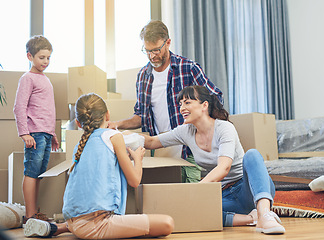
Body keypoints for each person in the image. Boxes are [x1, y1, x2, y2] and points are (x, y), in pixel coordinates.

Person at [23, 93, 174, 239]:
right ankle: (68, 228)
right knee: (167, 223)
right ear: (108, 115)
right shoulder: (114, 137)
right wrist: (138, 159)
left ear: (77, 122)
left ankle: (59, 228)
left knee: (84, 222)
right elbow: (134, 181)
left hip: (73, 220)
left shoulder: (79, 146)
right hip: (98, 224)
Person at [142, 86, 285, 235]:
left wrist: (195, 190)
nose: (182, 108)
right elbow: (151, 142)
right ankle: (251, 218)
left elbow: (224, 168)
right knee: (192, 210)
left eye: (187, 102)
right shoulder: (185, 131)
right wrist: (123, 136)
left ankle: (265, 214)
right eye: (180, 104)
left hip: (248, 189)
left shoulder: (224, 128)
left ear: (204, 105)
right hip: (224, 196)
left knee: (252, 155)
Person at [108, 20, 223, 183]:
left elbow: (216, 98)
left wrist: (199, 123)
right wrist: (117, 124)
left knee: (193, 199)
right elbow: (141, 116)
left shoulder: (188, 68)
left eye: (156, 50)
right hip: (157, 149)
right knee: (162, 200)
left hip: (188, 150)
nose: (152, 56)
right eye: (147, 51)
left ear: (167, 42)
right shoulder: (143, 76)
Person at [13, 35, 59, 223]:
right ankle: (30, 216)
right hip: (35, 134)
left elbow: (47, 110)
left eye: (48, 57)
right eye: (42, 57)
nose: (46, 62)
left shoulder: (45, 79)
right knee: (31, 173)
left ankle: (34, 213)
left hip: (45, 134)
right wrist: (24, 133)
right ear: (29, 56)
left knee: (38, 174)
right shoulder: (27, 78)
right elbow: (19, 107)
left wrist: (53, 134)